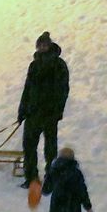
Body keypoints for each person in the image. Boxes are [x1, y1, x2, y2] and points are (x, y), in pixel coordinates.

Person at [17, 31, 70, 186]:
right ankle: (31, 177)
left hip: (49, 114)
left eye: (45, 45)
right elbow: (27, 89)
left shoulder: (59, 65)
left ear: (50, 45)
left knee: (50, 148)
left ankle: (51, 176)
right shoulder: (34, 65)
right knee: (29, 146)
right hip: (33, 114)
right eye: (39, 45)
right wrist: (22, 110)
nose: (42, 47)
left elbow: (63, 90)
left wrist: (57, 111)